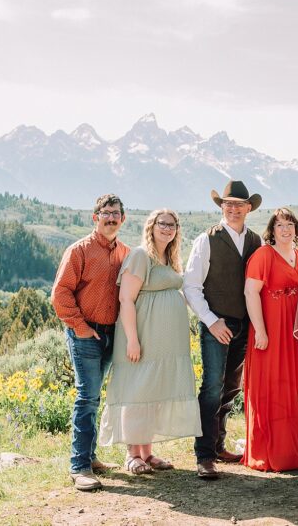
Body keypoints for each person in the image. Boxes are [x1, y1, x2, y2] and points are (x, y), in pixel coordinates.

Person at [98, 209, 201, 474]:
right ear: (151, 226)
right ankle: (132, 454)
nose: (167, 228)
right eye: (162, 223)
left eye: (172, 224)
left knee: (152, 395)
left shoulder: (169, 258)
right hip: (141, 336)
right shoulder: (140, 256)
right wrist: (133, 339)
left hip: (164, 343)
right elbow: (126, 300)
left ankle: (147, 452)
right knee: (137, 392)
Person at [183, 180, 263, 480]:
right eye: (227, 204)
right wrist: (211, 321)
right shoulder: (207, 240)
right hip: (216, 324)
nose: (232, 209)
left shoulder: (255, 241)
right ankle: (204, 455)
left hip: (244, 325)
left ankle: (218, 446)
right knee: (212, 388)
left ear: (248, 208)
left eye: (238, 204)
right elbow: (191, 286)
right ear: (222, 207)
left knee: (231, 388)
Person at [52, 194, 130, 491]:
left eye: (116, 214)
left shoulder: (124, 252)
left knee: (96, 395)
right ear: (94, 217)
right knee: (87, 397)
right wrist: (81, 328)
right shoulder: (79, 251)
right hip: (85, 333)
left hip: (112, 333)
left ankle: (92, 457)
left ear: (123, 219)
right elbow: (60, 294)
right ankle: (79, 466)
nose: (111, 218)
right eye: (106, 213)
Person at [241, 208, 298, 472]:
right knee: (270, 387)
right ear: (272, 229)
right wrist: (260, 329)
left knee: (291, 388)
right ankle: (269, 453)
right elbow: (250, 292)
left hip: (294, 331)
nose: (285, 229)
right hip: (270, 329)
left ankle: (291, 449)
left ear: (296, 229)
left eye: (290, 224)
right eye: (280, 224)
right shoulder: (263, 255)